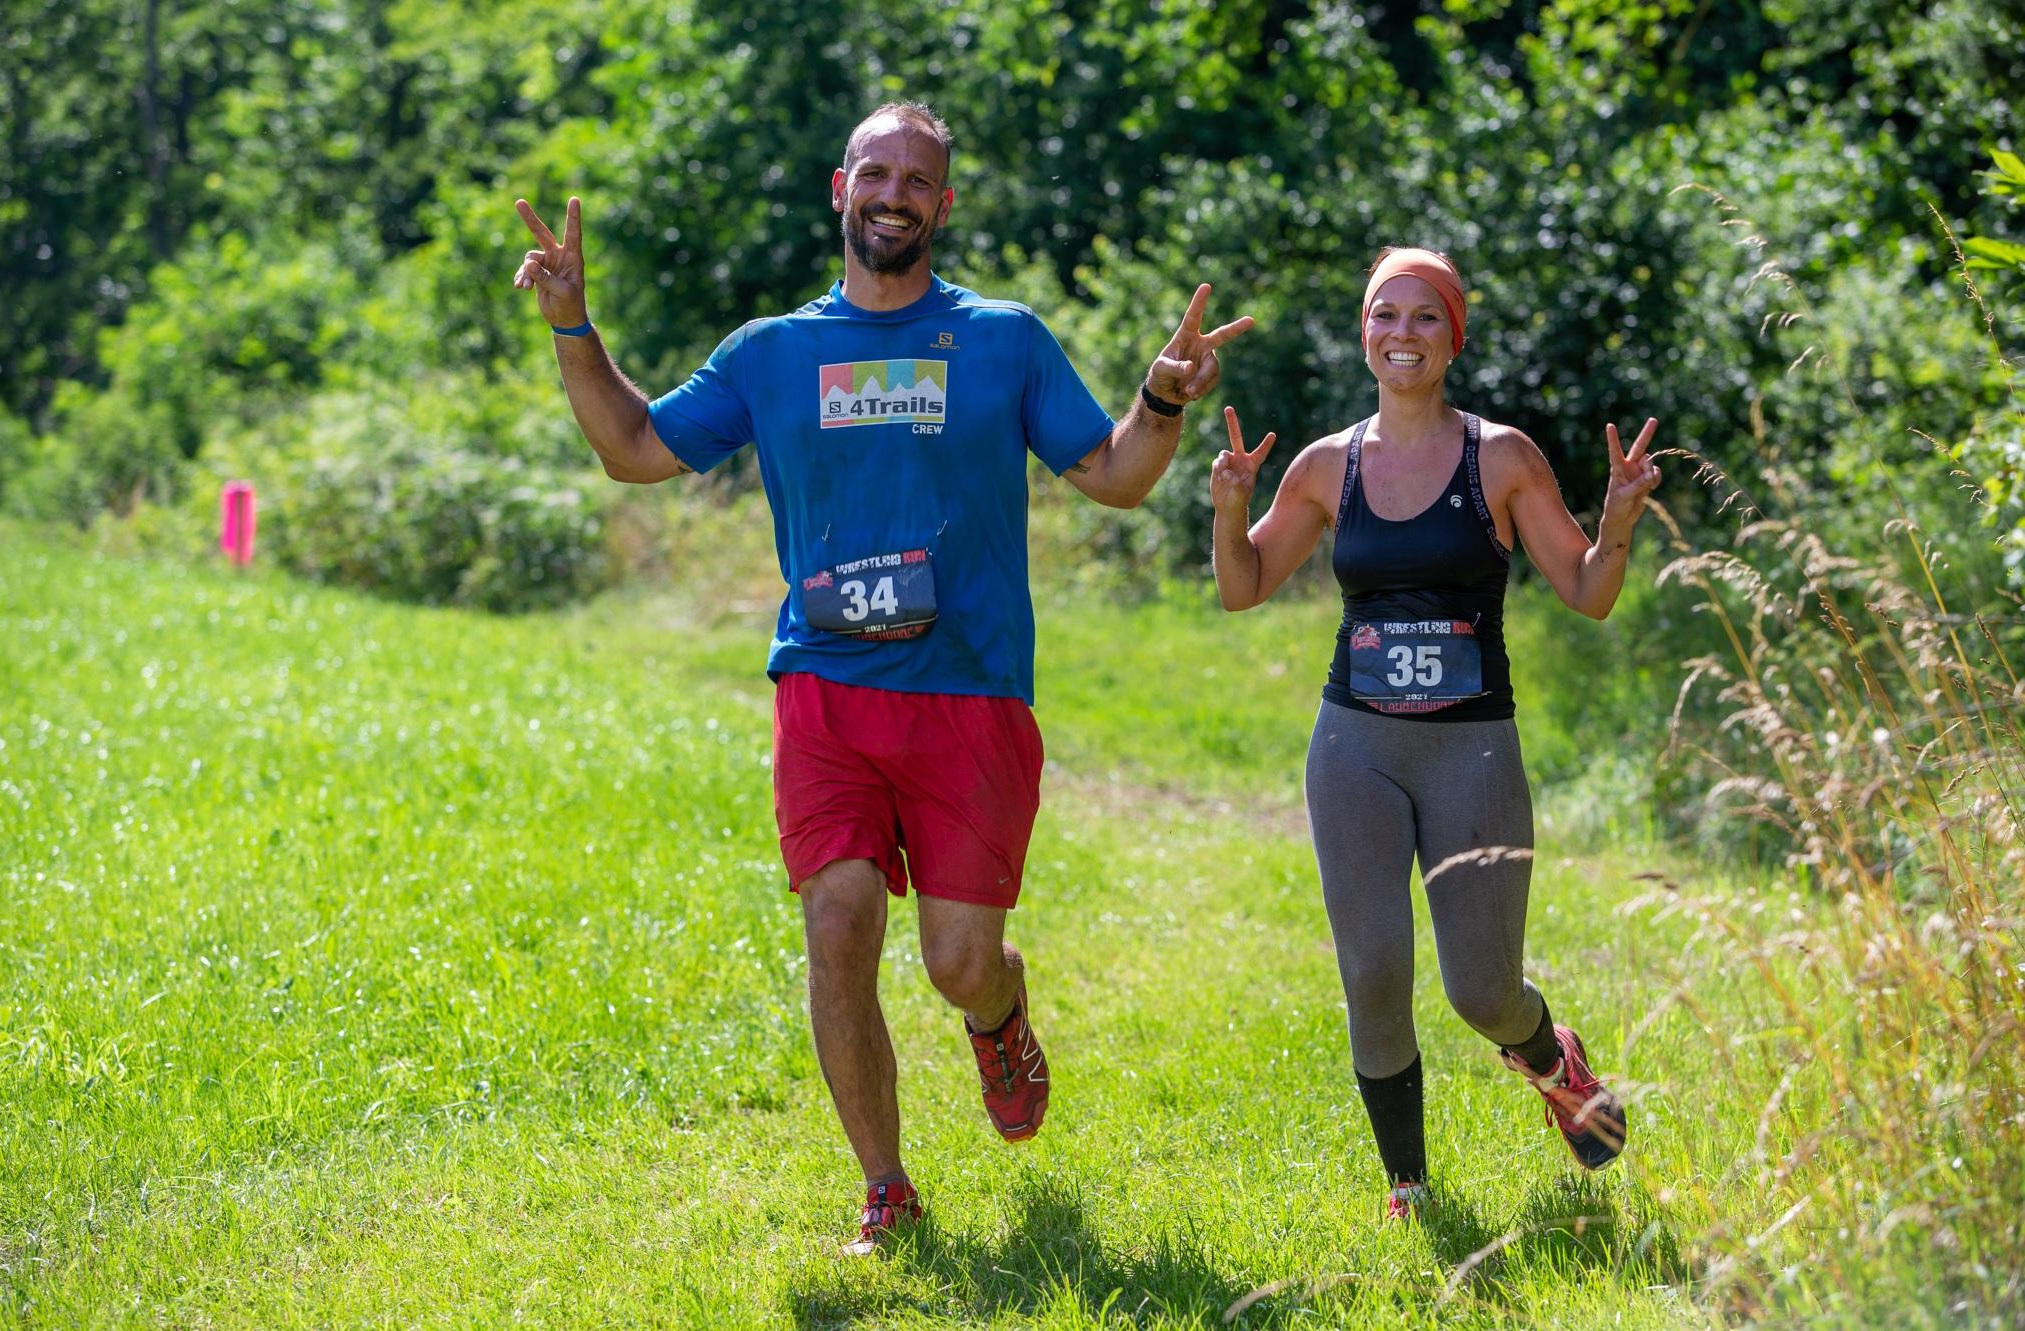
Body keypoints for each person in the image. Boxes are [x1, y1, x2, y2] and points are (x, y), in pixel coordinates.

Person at [511, 102, 1253, 1254]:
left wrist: (1158, 398)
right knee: (838, 924)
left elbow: (1111, 475)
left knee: (957, 960)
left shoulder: (1000, 338)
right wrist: (573, 326)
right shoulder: (772, 352)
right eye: (877, 172)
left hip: (969, 693)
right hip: (824, 687)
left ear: (942, 207)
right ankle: (886, 1189)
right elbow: (633, 450)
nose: (894, 193)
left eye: (918, 178)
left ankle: (997, 1014)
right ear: (840, 189)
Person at [1208, 247, 1659, 1219]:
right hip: (1354, 747)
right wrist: (1230, 509)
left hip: (1470, 749)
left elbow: (1586, 591)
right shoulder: (1327, 464)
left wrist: (1616, 516)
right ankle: (1406, 1185)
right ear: (1362, 331)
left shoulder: (1498, 456)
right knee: (1372, 970)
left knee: (1481, 992)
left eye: (1422, 318)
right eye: (1383, 314)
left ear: (1451, 338)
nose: (1400, 334)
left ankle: (1548, 1054)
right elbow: (1241, 588)